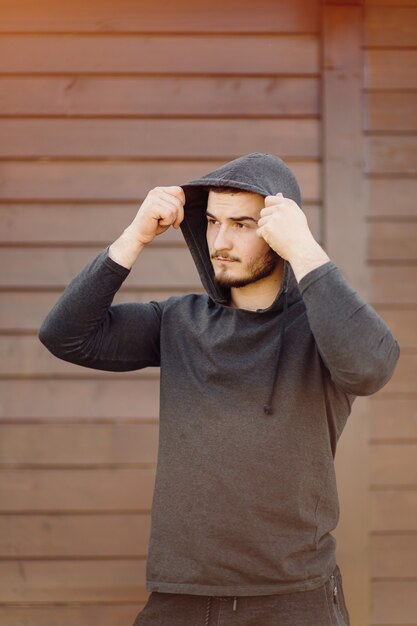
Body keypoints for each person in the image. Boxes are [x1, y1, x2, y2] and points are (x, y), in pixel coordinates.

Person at [39, 152, 399, 626]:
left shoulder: (324, 331)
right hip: (181, 596)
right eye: (211, 221)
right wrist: (136, 236)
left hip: (293, 597)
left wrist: (305, 249)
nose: (221, 242)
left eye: (243, 224)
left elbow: (372, 367)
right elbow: (65, 335)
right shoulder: (177, 321)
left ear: (279, 230)